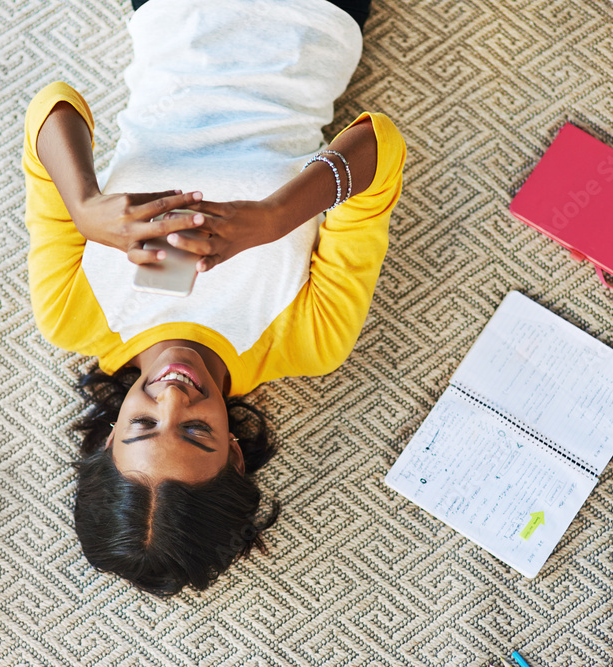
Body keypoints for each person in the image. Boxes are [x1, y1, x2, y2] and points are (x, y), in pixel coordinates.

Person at [22, 0, 405, 596]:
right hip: (313, 18)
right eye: (195, 433)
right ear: (233, 456)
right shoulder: (308, 342)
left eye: (143, 425)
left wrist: (82, 203)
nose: (173, 397)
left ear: (104, 438)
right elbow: (379, 147)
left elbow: (53, 108)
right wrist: (279, 215)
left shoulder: (74, 314)